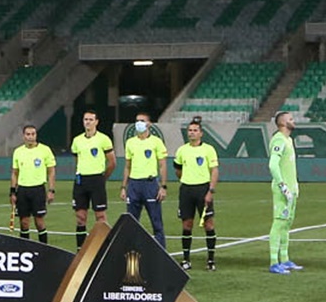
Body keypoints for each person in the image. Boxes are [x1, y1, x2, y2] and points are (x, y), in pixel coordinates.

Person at [173, 117, 219, 270]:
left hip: (203, 189)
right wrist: (187, 180)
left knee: (208, 224)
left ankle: (211, 261)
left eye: (195, 131)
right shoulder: (181, 150)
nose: (191, 133)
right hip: (186, 189)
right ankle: (186, 260)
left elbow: (214, 171)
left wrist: (210, 190)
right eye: (190, 130)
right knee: (187, 224)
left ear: (201, 133)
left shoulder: (208, 150)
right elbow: (178, 170)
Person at [120, 113, 169, 248]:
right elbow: (127, 166)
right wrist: (124, 187)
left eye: (142, 121)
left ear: (149, 124)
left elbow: (163, 165)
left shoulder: (156, 142)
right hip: (134, 185)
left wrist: (163, 186)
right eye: (137, 121)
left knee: (156, 222)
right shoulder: (130, 142)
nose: (138, 123)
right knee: (131, 223)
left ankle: (161, 253)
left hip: (150, 184)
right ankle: (131, 252)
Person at [70, 110, 116, 248]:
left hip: (97, 180)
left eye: (91, 119)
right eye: (85, 119)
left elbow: (112, 163)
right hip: (81, 180)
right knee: (80, 218)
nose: (88, 122)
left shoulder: (104, 139)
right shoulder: (77, 140)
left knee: (100, 217)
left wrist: (103, 178)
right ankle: (80, 250)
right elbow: (77, 160)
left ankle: (104, 247)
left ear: (96, 122)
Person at [268, 111, 302, 274]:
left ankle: (285, 259)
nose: (293, 121)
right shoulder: (279, 139)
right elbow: (273, 165)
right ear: (282, 123)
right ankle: (274, 262)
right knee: (279, 222)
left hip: (291, 188)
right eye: (290, 119)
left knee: (287, 224)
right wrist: (282, 186)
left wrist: (294, 185)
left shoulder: (289, 140)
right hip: (283, 189)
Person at [10, 125, 57, 243]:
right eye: (28, 134)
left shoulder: (45, 150)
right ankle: (24, 249)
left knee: (39, 222)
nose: (30, 137)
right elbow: (15, 173)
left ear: (36, 135)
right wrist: (12, 192)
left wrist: (51, 190)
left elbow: (51, 172)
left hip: (38, 190)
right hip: (22, 190)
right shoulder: (18, 152)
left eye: (33, 134)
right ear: (23, 136)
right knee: (24, 223)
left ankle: (45, 249)